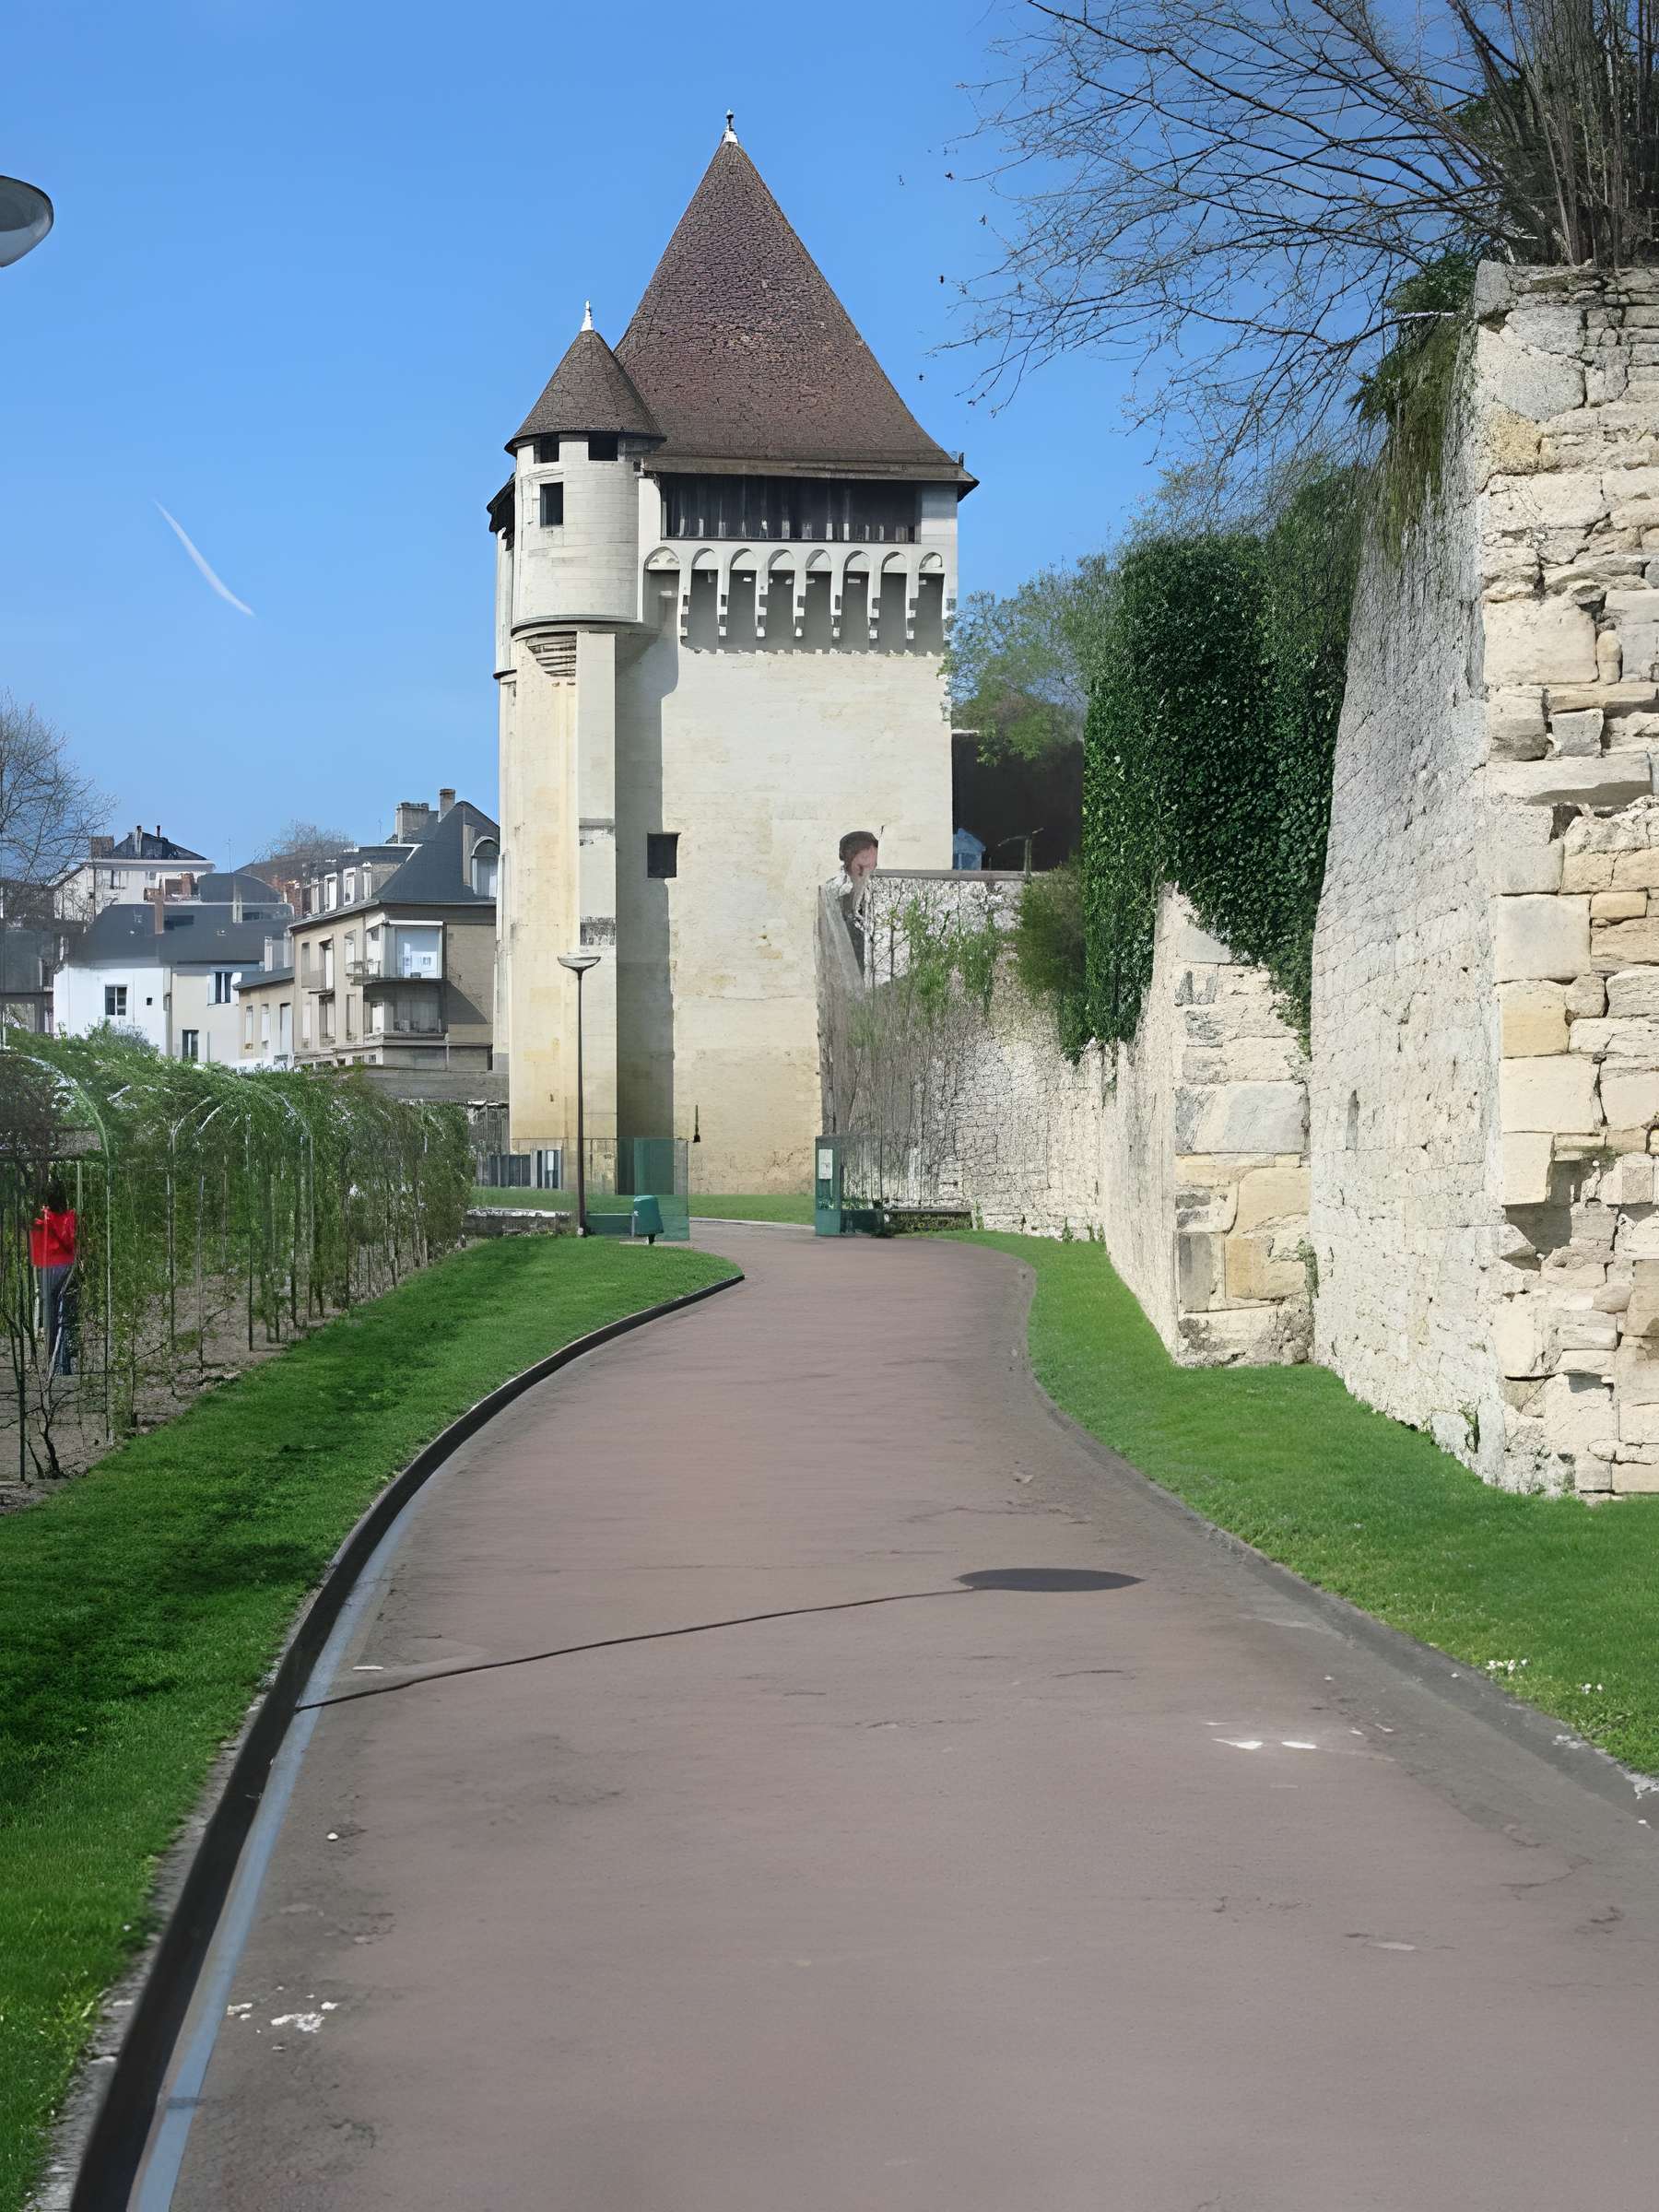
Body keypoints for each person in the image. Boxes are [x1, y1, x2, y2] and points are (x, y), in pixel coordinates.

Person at [29, 1179, 77, 1377]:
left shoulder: (41, 1218)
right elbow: (74, 1240)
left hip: (46, 1267)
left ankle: (50, 1362)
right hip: (67, 1267)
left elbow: (31, 1235)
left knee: (49, 1317)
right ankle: (64, 1365)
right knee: (65, 1316)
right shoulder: (71, 1216)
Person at [830, 829, 879, 975]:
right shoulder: (837, 898)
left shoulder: (874, 899)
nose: (869, 874)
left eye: (874, 866)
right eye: (862, 867)